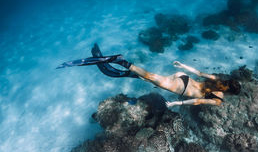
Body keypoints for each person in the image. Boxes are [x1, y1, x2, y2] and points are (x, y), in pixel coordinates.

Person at [57, 44, 241, 107]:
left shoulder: (219, 80)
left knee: (144, 77)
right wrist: (177, 103)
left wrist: (181, 65)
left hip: (183, 78)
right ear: (231, 93)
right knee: (148, 75)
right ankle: (122, 61)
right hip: (180, 88)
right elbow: (198, 102)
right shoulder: (219, 99)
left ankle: (109, 66)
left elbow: (199, 73)